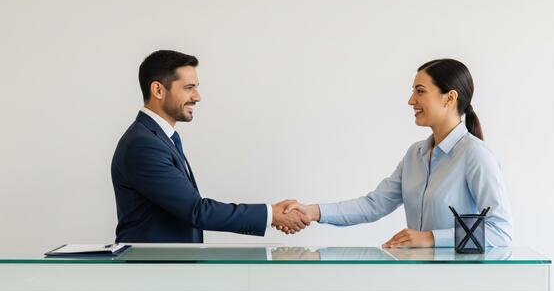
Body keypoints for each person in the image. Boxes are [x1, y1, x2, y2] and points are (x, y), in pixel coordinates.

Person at [283, 59, 512, 248]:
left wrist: (431, 238)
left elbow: (500, 232)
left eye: (420, 91)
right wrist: (312, 212)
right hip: (417, 279)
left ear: (450, 98)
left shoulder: (476, 155)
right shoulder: (415, 155)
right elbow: (374, 205)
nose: (411, 100)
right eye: (413, 92)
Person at [111, 50, 308, 243]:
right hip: (152, 271)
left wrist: (271, 213)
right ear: (158, 90)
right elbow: (197, 211)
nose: (197, 97)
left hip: (168, 268)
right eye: (189, 88)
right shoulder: (144, 145)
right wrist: (271, 214)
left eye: (196, 87)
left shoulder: (158, 138)